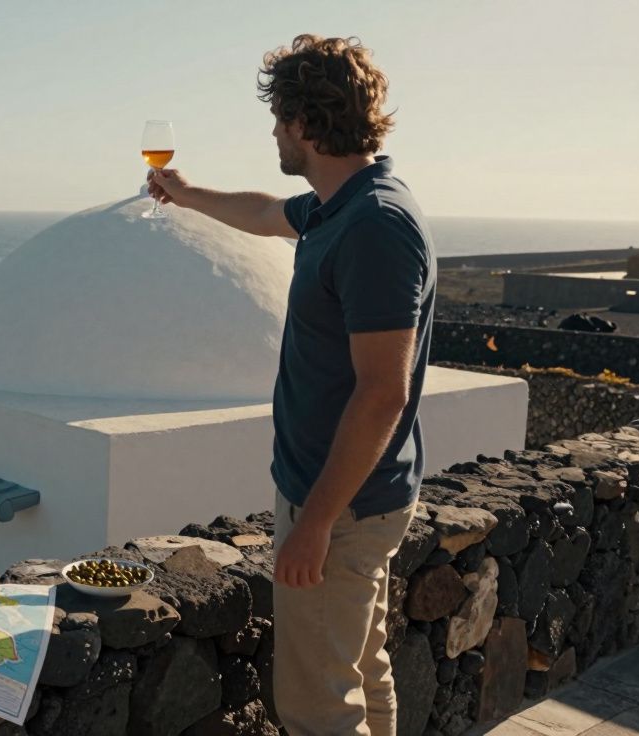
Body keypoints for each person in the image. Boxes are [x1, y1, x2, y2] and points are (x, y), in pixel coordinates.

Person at [148, 34, 436, 736]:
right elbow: (264, 212)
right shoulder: (341, 204)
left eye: (279, 119)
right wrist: (184, 195)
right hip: (351, 498)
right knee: (361, 671)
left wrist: (313, 525)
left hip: (339, 506)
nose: (274, 133)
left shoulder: (374, 226)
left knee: (317, 706)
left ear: (306, 123)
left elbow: (381, 394)